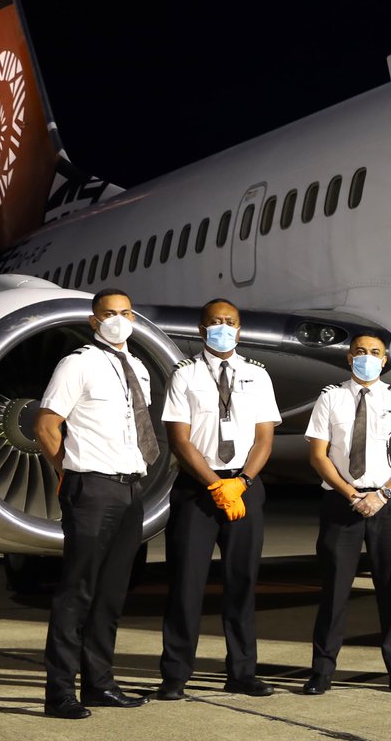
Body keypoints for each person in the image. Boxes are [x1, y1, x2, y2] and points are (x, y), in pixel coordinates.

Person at [36, 288, 159, 719]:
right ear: (94, 320)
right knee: (78, 590)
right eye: (110, 313)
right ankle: (59, 692)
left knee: (111, 593)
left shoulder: (139, 368)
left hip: (130, 489)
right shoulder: (79, 363)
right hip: (92, 487)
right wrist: (66, 471)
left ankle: (99, 684)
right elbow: (47, 424)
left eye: (126, 312)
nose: (119, 319)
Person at [155, 299, 281, 700]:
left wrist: (241, 481)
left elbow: (264, 439)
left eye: (230, 323)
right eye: (215, 323)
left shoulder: (257, 375)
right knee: (186, 584)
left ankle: (242, 672)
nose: (223, 328)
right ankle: (175, 673)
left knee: (242, 583)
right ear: (201, 329)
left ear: (240, 330)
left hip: (244, 488)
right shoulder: (184, 375)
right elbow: (180, 440)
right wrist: (215, 485)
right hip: (198, 489)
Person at [302, 333, 391, 695]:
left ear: (385, 360)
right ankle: (322, 671)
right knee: (334, 591)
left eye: (375, 353)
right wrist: (351, 494)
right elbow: (318, 455)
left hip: (388, 505)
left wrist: (384, 493)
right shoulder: (331, 397)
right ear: (348, 357)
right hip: (341, 503)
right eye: (360, 352)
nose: (367, 357)